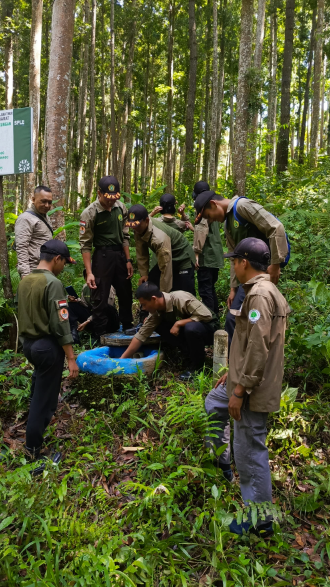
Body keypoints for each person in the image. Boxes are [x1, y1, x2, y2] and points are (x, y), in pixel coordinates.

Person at [204, 238, 290, 536]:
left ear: (243, 262)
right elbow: (249, 341)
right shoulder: (255, 292)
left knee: (250, 450)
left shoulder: (260, 297)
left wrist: (240, 390)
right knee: (214, 403)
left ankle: (261, 520)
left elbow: (258, 347)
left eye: (233, 261)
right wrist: (232, 373)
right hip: (242, 379)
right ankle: (221, 460)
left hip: (252, 389)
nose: (232, 266)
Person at [194, 190, 289, 344]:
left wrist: (275, 264)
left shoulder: (242, 206)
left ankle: (245, 361)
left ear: (213, 204)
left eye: (209, 216)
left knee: (244, 319)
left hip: (262, 274)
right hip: (246, 279)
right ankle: (238, 361)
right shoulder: (227, 223)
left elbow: (275, 227)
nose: (212, 220)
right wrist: (234, 288)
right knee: (237, 319)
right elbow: (234, 256)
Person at [16, 240, 79, 461]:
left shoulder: (26, 281)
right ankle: (33, 451)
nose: (63, 268)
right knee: (44, 401)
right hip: (47, 348)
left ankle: (31, 432)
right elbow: (60, 324)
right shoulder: (53, 283)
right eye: (64, 263)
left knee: (38, 389)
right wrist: (71, 358)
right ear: (56, 259)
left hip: (29, 345)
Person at [121, 282, 218, 380]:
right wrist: (121, 360)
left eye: (144, 304)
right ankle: (188, 355)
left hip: (210, 329)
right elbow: (140, 336)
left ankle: (198, 367)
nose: (144, 308)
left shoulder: (180, 298)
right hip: (191, 332)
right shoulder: (156, 312)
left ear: (154, 299)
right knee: (160, 326)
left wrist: (179, 323)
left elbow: (206, 316)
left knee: (191, 327)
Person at [79, 175, 134, 337]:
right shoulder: (89, 213)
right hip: (102, 256)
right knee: (100, 296)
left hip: (120, 255)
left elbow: (125, 236)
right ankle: (100, 332)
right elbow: (85, 244)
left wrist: (128, 260)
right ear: (99, 193)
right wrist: (89, 272)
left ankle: (127, 324)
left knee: (125, 291)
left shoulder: (121, 207)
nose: (111, 202)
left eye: (114, 198)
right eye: (107, 198)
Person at [126, 204, 196, 294]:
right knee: (152, 285)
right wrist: (144, 274)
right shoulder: (138, 229)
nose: (134, 229)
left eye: (137, 226)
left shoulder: (159, 238)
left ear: (146, 220)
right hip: (167, 255)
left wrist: (164, 296)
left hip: (183, 258)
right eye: (132, 226)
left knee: (185, 294)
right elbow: (141, 253)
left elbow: (165, 269)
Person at [192, 181, 224, 315]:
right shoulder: (213, 206)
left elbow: (201, 229)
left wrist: (196, 253)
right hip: (215, 255)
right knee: (210, 289)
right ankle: (215, 317)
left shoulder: (204, 208)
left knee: (205, 291)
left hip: (207, 256)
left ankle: (210, 320)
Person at [14, 185, 53, 278]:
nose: (47, 205)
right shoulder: (25, 218)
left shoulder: (45, 216)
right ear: (33, 199)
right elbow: (21, 247)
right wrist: (25, 274)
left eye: (49, 202)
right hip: (32, 270)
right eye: (43, 201)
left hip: (44, 267)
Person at [68, 273, 119, 343]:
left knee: (107, 308)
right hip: (94, 318)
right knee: (71, 305)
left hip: (108, 321)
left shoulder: (108, 287)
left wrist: (88, 321)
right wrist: (77, 301)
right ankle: (74, 333)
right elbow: (85, 305)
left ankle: (100, 335)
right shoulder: (86, 287)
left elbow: (106, 308)